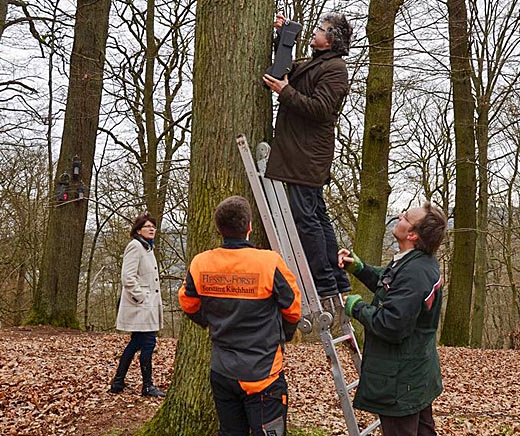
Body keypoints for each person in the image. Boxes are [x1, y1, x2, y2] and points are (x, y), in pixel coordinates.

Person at [178, 196, 302, 436]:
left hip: (223, 371)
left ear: (219, 229)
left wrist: (209, 320)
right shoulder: (269, 262)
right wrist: (283, 334)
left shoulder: (201, 263)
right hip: (263, 374)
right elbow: (293, 308)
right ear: (249, 227)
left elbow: (187, 302)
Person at [262, 12, 354, 298]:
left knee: (306, 217)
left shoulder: (336, 68)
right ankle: (335, 279)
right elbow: (287, 68)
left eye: (321, 29)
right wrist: (284, 36)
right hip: (302, 151)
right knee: (315, 214)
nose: (316, 32)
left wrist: (285, 91)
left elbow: (320, 109)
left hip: (307, 154)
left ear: (333, 39)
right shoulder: (319, 62)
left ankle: (324, 281)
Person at [338, 202, 448, 436]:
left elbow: (391, 325)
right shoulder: (415, 262)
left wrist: (357, 308)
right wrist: (360, 268)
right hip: (415, 376)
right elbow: (390, 284)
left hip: (401, 382)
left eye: (406, 217)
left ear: (412, 234)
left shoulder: (415, 272)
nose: (399, 216)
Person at [109, 213, 165, 397]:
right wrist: (142, 297)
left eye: (153, 226)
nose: (151, 229)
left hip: (146, 307)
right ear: (138, 229)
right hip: (140, 306)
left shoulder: (148, 248)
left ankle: (118, 382)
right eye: (147, 226)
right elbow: (128, 277)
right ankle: (147, 386)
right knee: (148, 343)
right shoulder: (135, 246)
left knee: (136, 343)